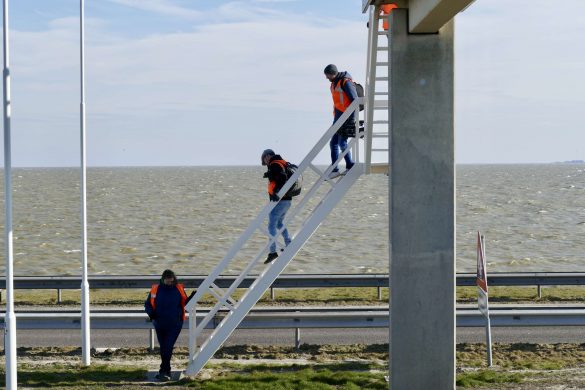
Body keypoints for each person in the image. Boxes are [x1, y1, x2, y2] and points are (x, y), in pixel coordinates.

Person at [145, 269, 194, 381]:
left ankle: (164, 371)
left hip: (175, 324)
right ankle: (165, 370)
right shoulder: (155, 289)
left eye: (171, 280)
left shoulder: (179, 289)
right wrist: (151, 313)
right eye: (167, 280)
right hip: (159, 323)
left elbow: (186, 303)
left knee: (167, 346)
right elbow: (147, 304)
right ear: (163, 279)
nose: (169, 282)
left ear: (174, 279)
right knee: (164, 348)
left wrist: (192, 297)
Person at [324, 64, 356, 179]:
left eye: (327, 75)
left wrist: (351, 118)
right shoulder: (333, 84)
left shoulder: (345, 82)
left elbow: (355, 100)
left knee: (341, 142)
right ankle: (336, 169)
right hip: (338, 118)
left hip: (347, 117)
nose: (327, 78)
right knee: (334, 143)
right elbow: (337, 104)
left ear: (333, 73)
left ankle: (349, 165)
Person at [261, 149, 292, 264]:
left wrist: (276, 192)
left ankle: (272, 251)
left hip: (280, 201)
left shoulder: (274, 164)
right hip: (287, 201)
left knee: (271, 227)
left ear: (268, 156)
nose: (265, 161)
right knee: (279, 224)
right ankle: (288, 243)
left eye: (265, 158)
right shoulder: (282, 162)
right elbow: (282, 177)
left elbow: (282, 177)